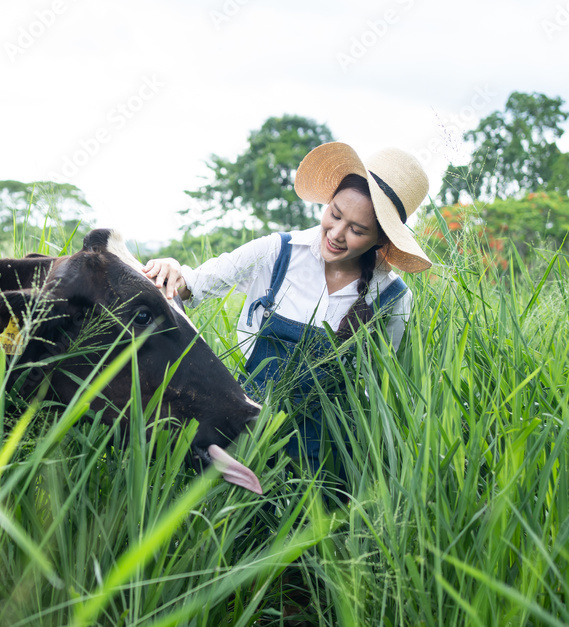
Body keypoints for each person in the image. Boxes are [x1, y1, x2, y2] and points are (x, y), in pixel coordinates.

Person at [142, 142, 431, 470]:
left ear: (380, 239)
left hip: (328, 456)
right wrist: (170, 268)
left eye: (357, 230)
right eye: (335, 214)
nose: (336, 233)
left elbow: (381, 388)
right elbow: (195, 284)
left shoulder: (392, 298)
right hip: (244, 435)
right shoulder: (276, 251)